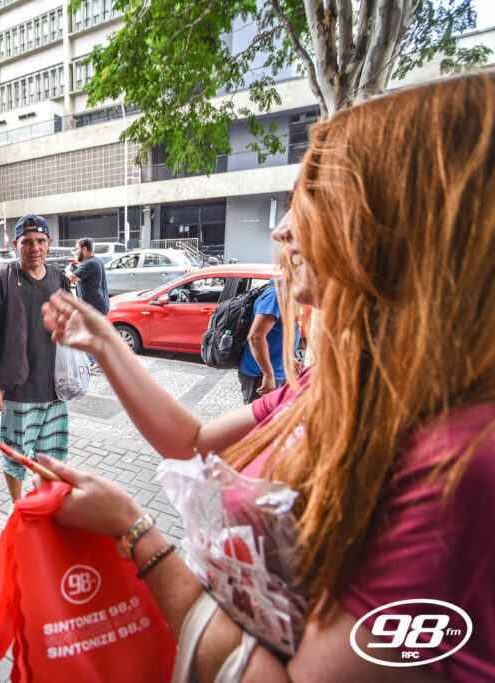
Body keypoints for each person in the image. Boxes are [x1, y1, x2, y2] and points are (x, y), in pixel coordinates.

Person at [40, 72, 495, 681]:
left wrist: (137, 534)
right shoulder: (341, 382)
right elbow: (193, 442)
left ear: (401, 226)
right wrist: (103, 341)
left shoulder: (461, 466)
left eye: (313, 201)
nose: (282, 231)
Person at [0, 214, 72, 503]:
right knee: (15, 455)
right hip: (18, 387)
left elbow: (70, 322)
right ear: (15, 245)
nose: (34, 248)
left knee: (52, 457)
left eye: (40, 241)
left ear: (49, 243)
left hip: (55, 387)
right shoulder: (1, 278)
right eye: (27, 242)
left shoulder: (59, 279)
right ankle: (18, 507)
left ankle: (45, 505)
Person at [239, 242, 301, 403]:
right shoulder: (276, 295)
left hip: (278, 370)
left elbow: (281, 332)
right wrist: (268, 374)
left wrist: (289, 358)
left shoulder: (289, 293)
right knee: (260, 418)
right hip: (260, 374)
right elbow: (255, 337)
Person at [64, 237, 109, 366]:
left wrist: (67, 270)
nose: (75, 252)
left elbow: (71, 279)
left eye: (76, 249)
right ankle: (96, 360)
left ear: (84, 249)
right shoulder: (96, 261)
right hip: (98, 305)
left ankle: (88, 363)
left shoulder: (91, 263)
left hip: (93, 307)